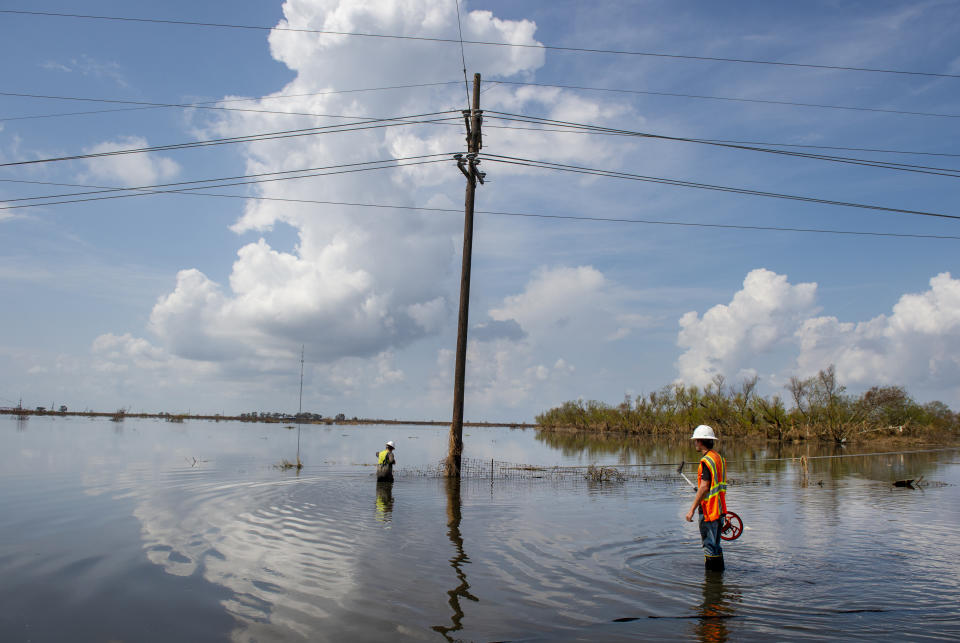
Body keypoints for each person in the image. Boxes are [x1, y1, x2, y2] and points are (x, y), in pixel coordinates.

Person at [685, 425, 727, 572]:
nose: (695, 443)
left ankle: (712, 585)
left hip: (709, 511)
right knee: (716, 546)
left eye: (696, 440)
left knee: (709, 547)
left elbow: (704, 487)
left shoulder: (706, 461)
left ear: (701, 441)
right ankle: (719, 582)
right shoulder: (718, 458)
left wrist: (691, 510)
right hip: (720, 510)